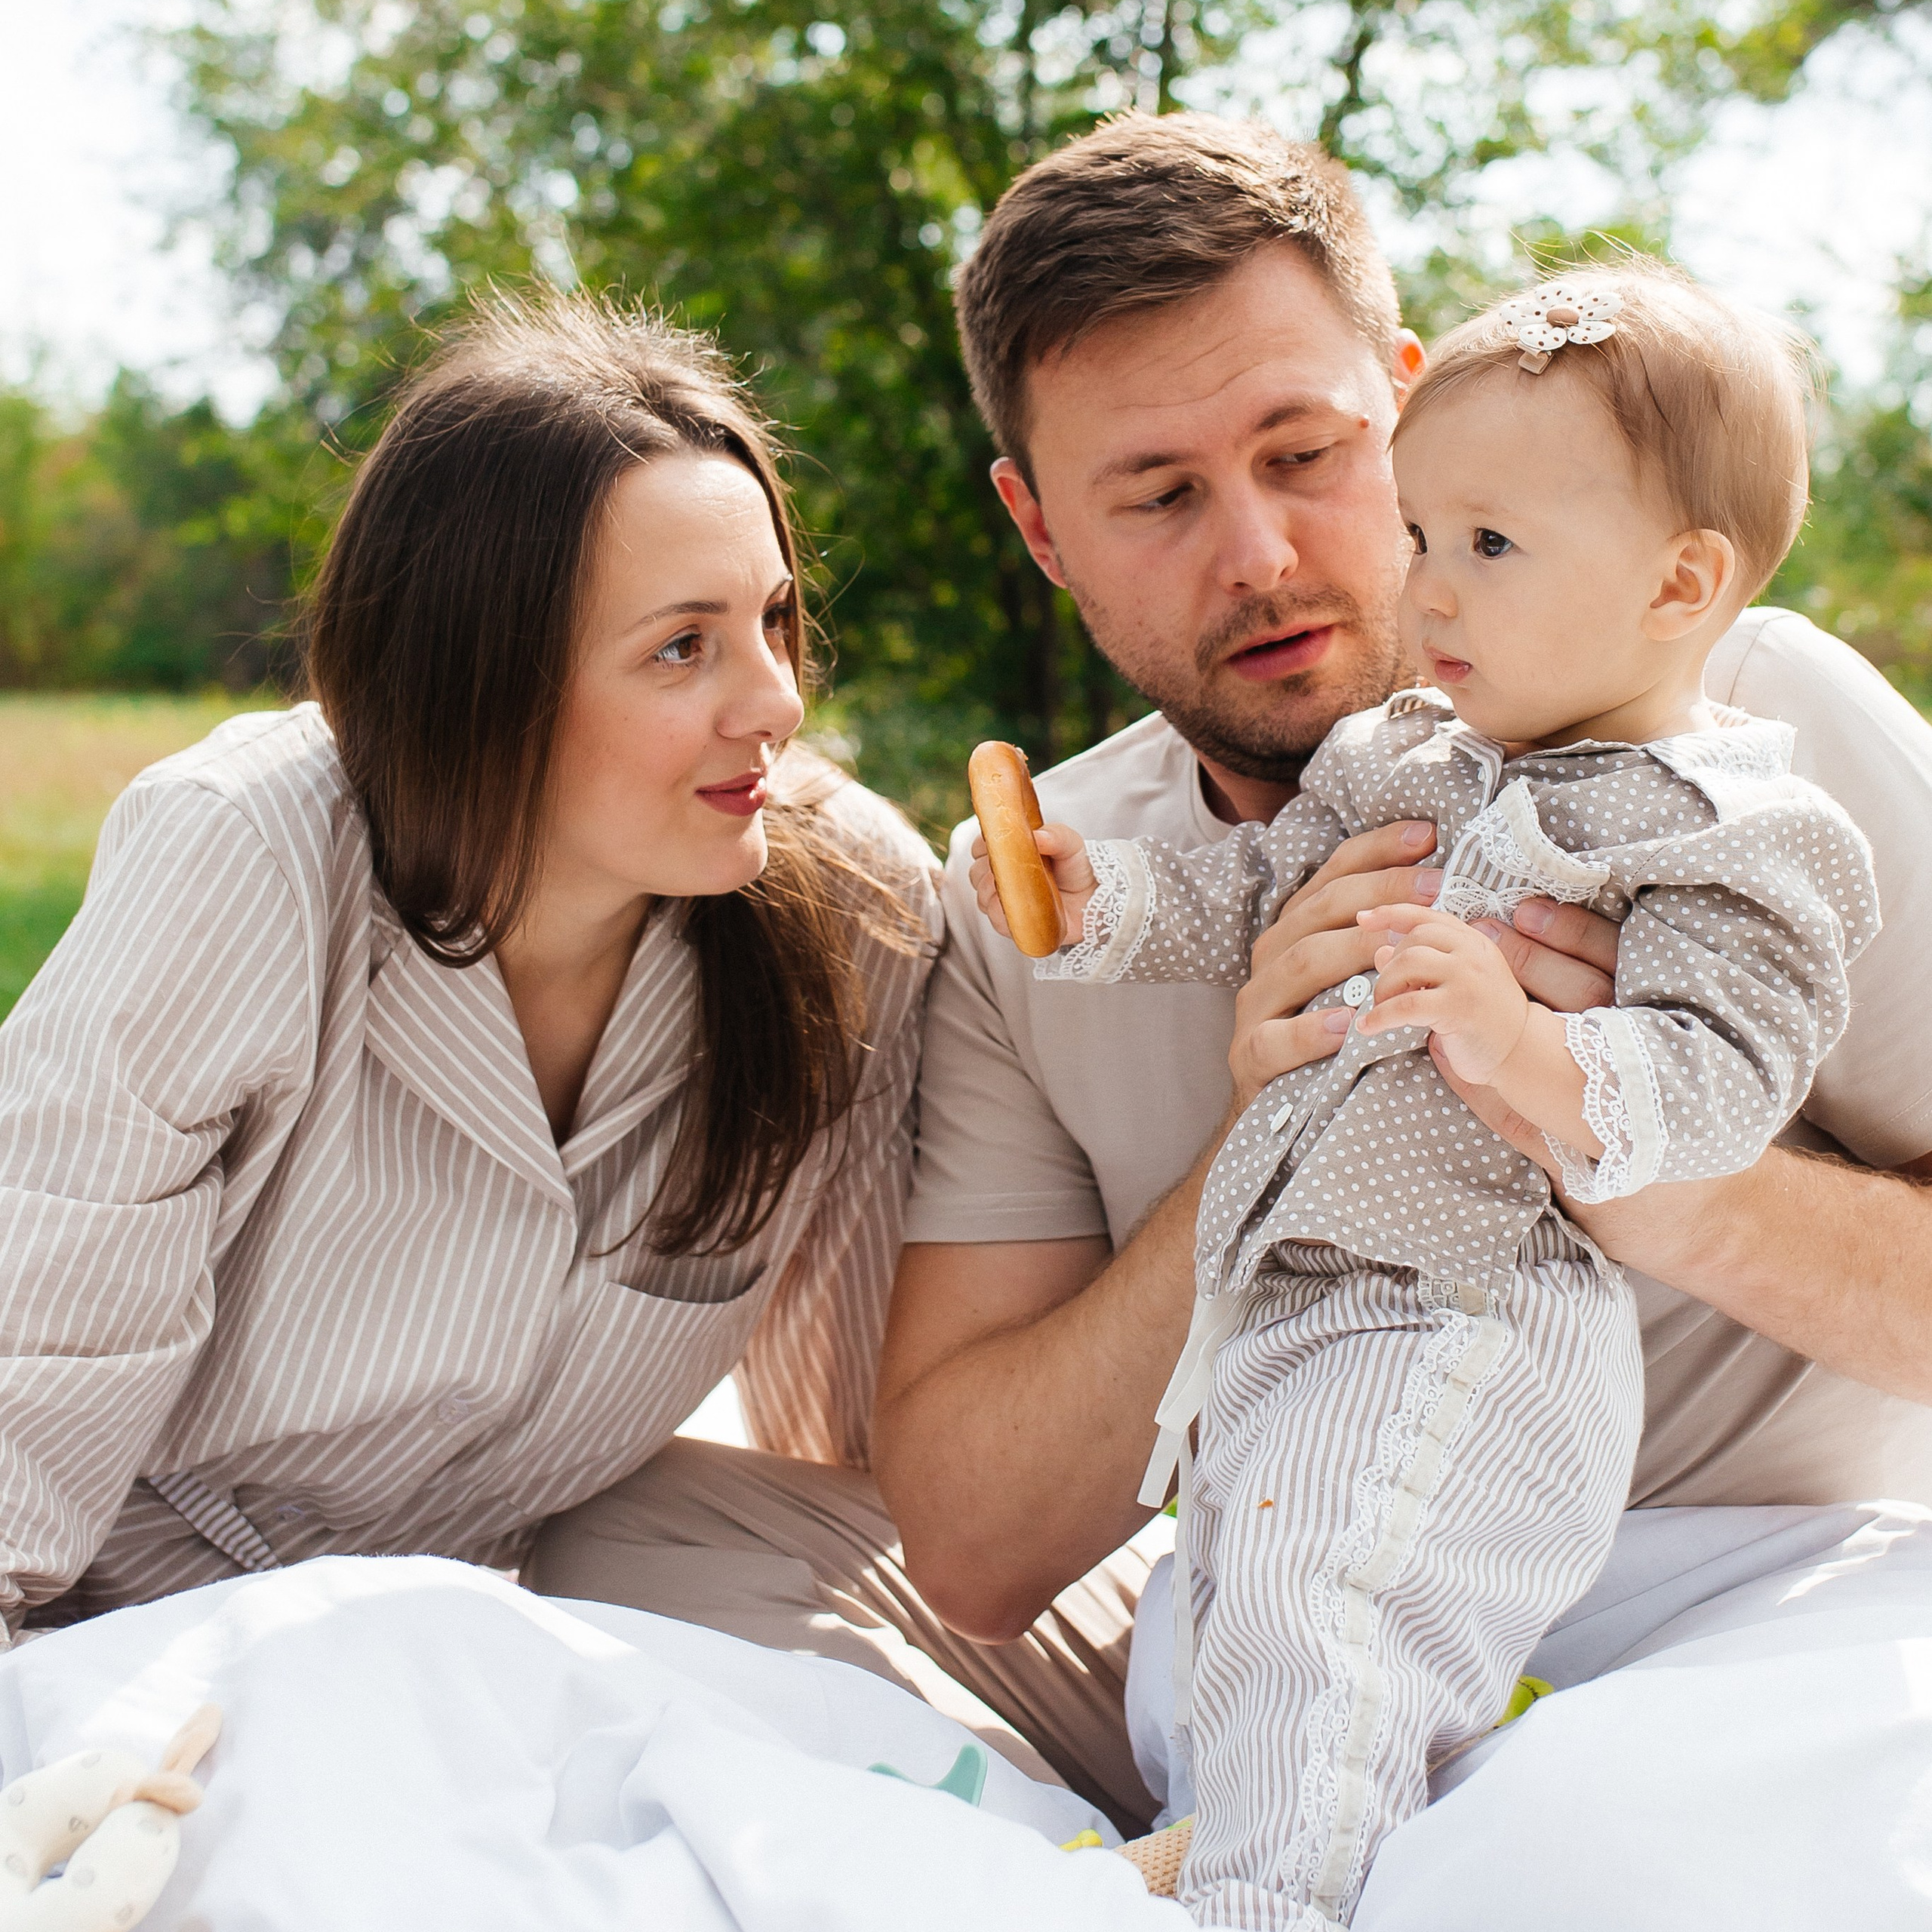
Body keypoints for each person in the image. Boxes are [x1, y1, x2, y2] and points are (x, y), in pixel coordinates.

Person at [868, 111, 1932, 1823]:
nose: (1260, 556)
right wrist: (1275, 1125)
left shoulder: (1754, 727)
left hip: (1758, 1608)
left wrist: (1630, 1152)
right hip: (1290, 1603)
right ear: (1039, 528)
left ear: (1412, 409)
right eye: (1155, 495)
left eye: (1306, 452)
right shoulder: (1036, 907)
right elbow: (975, 1547)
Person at [0, 294, 939, 1658]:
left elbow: (840, 1439)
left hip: (476, 1663)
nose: (776, 703)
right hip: (113, 1632)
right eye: (684, 646)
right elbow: (22, 1402)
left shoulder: (853, 906)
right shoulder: (247, 855)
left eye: (774, 623)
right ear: (480, 681)